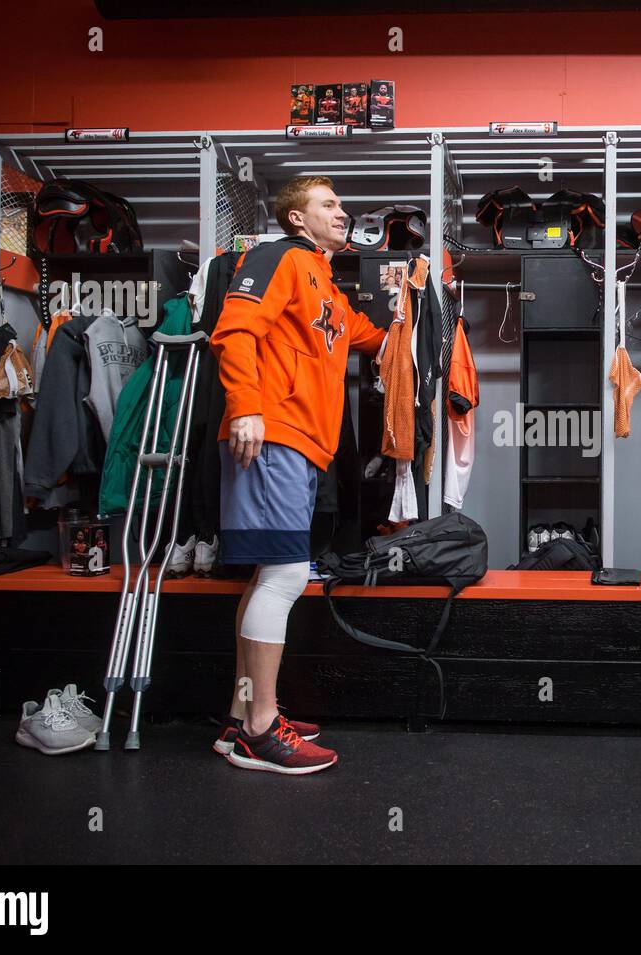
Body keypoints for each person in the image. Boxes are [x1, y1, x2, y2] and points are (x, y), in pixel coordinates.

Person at [210, 175, 386, 775]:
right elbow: (233, 332)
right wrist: (246, 407)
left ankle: (242, 719)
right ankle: (260, 729)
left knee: (268, 573)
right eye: (328, 205)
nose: (343, 212)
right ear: (296, 219)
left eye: (342, 203)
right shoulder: (276, 257)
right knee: (285, 576)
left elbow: (367, 336)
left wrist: (416, 317)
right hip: (273, 433)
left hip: (306, 445)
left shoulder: (328, 287)